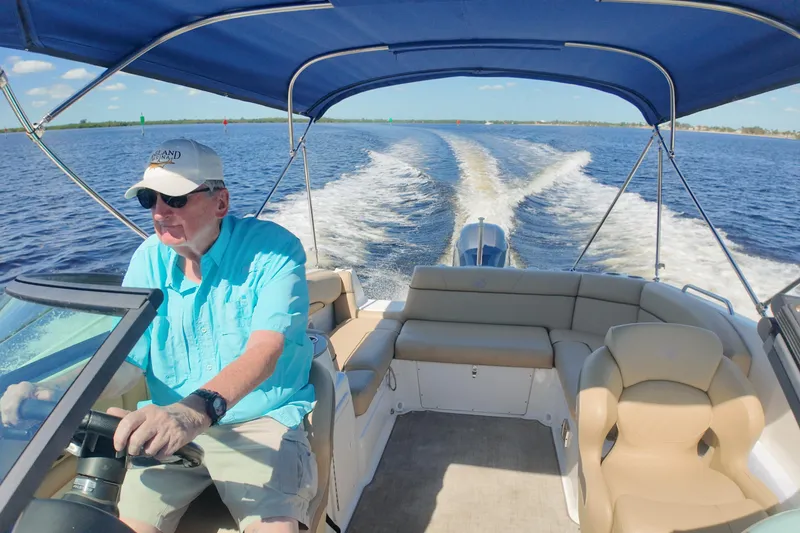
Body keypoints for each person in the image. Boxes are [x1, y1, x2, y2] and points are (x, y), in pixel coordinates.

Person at [1, 139, 318, 533]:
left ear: (221, 202)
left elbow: (267, 350)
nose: (159, 211)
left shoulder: (273, 249)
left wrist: (192, 411)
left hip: (259, 422)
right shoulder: (148, 258)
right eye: (150, 198)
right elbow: (128, 360)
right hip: (164, 429)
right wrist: (58, 390)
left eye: (175, 197)